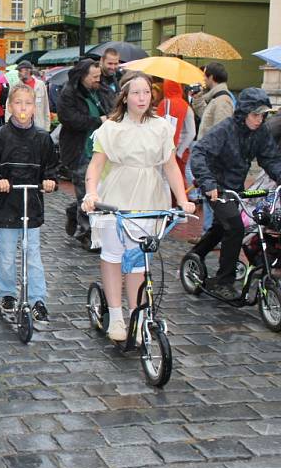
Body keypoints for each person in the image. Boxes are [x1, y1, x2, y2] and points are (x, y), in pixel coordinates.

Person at [82, 71, 195, 341]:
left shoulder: (160, 127)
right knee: (113, 254)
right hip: (118, 193)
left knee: (137, 260)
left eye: (146, 92)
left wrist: (182, 200)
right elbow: (96, 165)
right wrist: (91, 193)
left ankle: (137, 314)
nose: (142, 98)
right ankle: (116, 316)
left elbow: (169, 165)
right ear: (125, 96)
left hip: (150, 195)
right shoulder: (112, 127)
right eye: (136, 93)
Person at [0, 83, 58, 327]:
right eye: (18, 103)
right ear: (10, 106)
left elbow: (51, 165)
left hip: (30, 205)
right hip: (5, 208)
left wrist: (49, 179)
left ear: (34, 107)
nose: (23, 108)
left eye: (28, 103)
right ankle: (6, 292)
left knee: (33, 254)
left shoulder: (42, 139)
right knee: (7, 254)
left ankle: (37, 298)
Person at [187, 87, 281, 297]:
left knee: (222, 227)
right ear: (243, 113)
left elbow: (270, 159)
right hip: (216, 186)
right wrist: (208, 183)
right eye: (255, 115)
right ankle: (223, 280)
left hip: (236, 187)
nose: (259, 120)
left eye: (263, 115)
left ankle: (196, 255)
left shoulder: (261, 132)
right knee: (235, 226)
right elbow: (199, 152)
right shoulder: (225, 130)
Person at [59, 58, 115, 252]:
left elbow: (112, 108)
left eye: (99, 76)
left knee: (99, 190)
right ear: (83, 76)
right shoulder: (69, 93)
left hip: (101, 148)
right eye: (94, 77)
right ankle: (86, 232)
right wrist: (97, 121)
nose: (97, 80)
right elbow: (69, 119)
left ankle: (73, 212)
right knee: (86, 191)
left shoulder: (101, 90)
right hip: (79, 149)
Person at [155, 79, 196, 183]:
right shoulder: (186, 106)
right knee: (180, 180)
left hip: (165, 150)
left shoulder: (163, 104)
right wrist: (180, 151)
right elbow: (192, 133)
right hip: (182, 150)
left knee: (164, 181)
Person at [15, 61, 51, 131]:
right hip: (21, 126)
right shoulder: (16, 86)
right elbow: (9, 105)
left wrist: (47, 128)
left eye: (20, 70)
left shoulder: (40, 85)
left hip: (39, 126)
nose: (18, 73)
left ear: (27, 71)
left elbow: (46, 107)